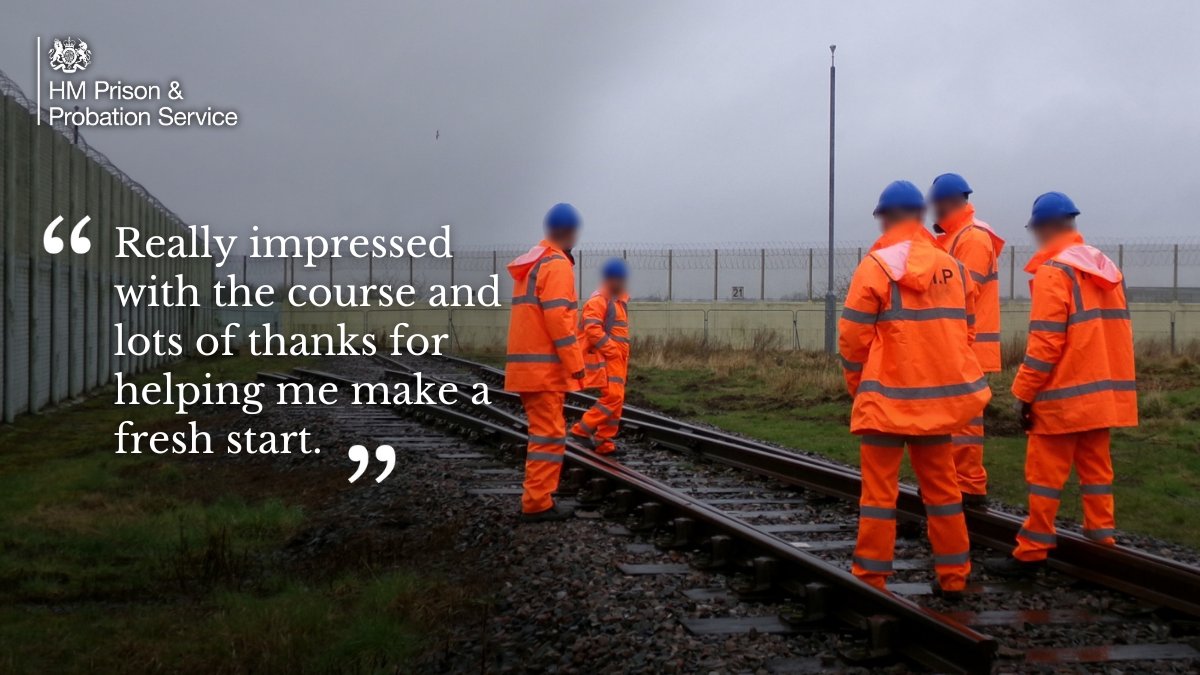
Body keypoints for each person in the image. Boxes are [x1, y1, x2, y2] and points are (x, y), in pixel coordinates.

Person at [839, 180, 990, 598]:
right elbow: (968, 333)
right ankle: (955, 577)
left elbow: (852, 340)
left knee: (878, 495)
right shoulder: (954, 268)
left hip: (885, 404)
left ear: (884, 218)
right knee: (944, 492)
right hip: (937, 407)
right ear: (921, 216)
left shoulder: (874, 267)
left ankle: (871, 580)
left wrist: (861, 388)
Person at [989, 192, 1137, 575]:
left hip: (1062, 397)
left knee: (1044, 478)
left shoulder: (1055, 271)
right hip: (1102, 394)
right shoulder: (1105, 267)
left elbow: (1045, 343)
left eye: (1034, 229)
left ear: (1045, 227)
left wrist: (1023, 393)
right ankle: (1102, 542)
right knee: (1097, 473)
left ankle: (1031, 552)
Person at [504, 203, 587, 523]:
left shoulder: (534, 263)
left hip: (529, 367)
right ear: (568, 232)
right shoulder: (556, 265)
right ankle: (537, 503)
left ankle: (538, 498)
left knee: (545, 432)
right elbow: (559, 320)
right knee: (549, 434)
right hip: (545, 370)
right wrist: (575, 363)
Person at [929, 173, 1006, 506]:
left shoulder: (971, 238)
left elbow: (961, 293)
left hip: (967, 344)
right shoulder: (958, 237)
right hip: (959, 342)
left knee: (963, 420)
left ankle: (968, 487)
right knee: (954, 419)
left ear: (945, 202)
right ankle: (954, 485)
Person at [571, 258, 631, 455]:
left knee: (617, 400)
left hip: (618, 359)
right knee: (613, 397)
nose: (622, 282)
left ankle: (604, 443)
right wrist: (612, 351)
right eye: (618, 278)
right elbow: (592, 329)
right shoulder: (598, 301)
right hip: (609, 358)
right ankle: (582, 429)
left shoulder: (618, 301)